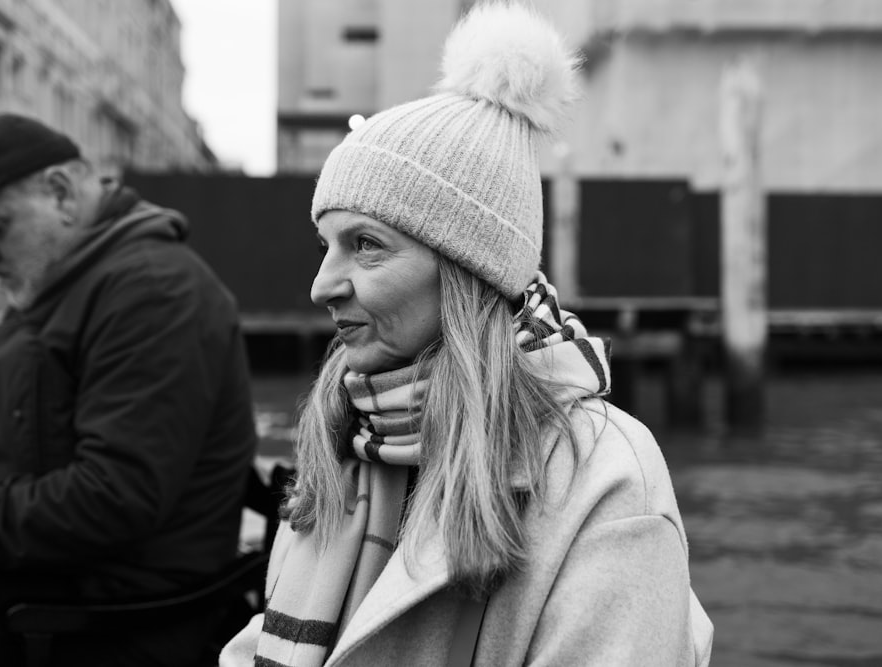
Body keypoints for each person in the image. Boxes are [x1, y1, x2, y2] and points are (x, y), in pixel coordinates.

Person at [221, 3, 714, 666]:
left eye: (366, 245)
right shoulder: (342, 441)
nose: (321, 284)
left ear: (466, 274)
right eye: (325, 244)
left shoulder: (606, 480)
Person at [0, 113, 258, 666]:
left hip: (92, 619)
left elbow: (111, 498)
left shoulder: (150, 292)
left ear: (59, 193)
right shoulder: (69, 284)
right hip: (29, 581)